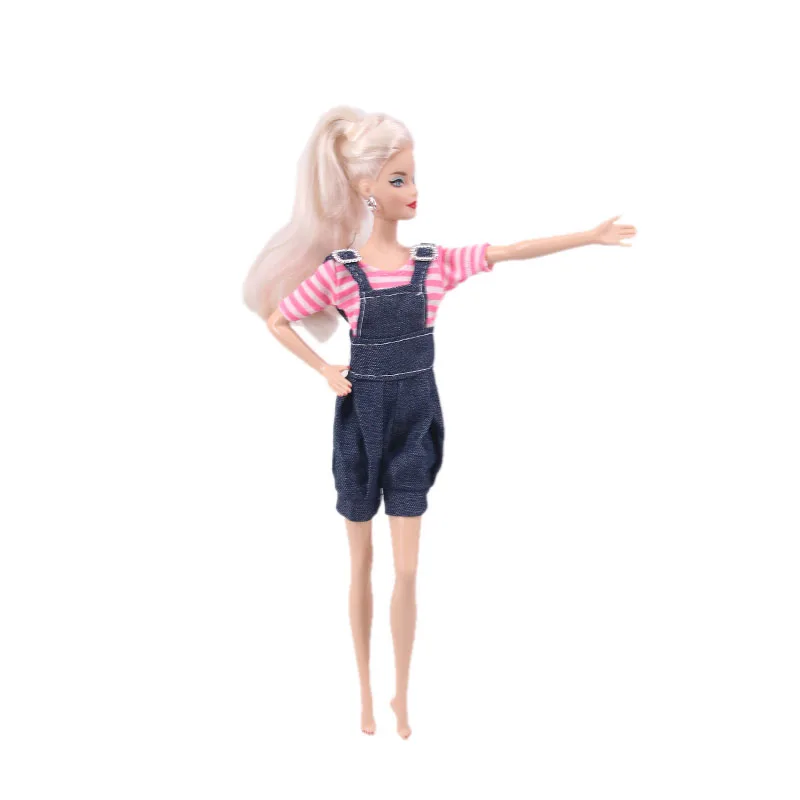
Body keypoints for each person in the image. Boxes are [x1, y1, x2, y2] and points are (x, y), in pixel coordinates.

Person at [242, 104, 637, 739]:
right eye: (398, 179)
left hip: (415, 416)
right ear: (365, 188)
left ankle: (400, 694)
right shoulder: (340, 273)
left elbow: (510, 251)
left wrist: (588, 237)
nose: (413, 190)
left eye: (413, 177)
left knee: (406, 569)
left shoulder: (434, 264)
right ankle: (364, 693)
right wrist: (324, 369)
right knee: (360, 561)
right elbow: (278, 319)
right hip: (361, 416)